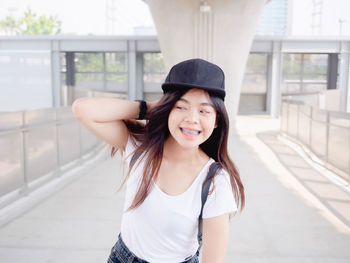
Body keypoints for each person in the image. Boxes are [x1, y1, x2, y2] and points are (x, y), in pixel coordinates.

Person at [72, 58, 245, 263]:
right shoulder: (141, 148)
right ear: (166, 109)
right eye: (181, 107)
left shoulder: (216, 181)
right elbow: (82, 110)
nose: (192, 118)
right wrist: (147, 109)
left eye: (204, 111)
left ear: (217, 120)